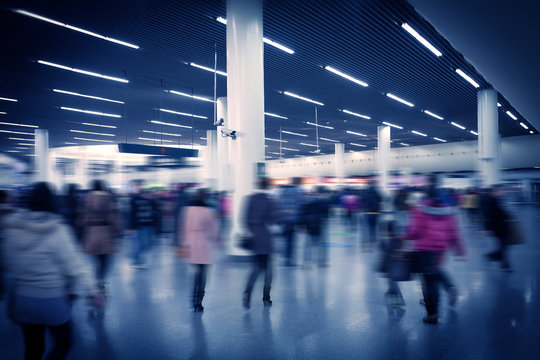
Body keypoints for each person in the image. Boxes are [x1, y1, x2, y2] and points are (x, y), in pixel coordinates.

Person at [1, 182, 102, 359]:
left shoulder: (12, 228)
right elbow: (74, 265)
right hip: (51, 299)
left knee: (33, 347)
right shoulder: (57, 229)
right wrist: (93, 290)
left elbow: (8, 263)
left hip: (22, 300)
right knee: (64, 343)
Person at [404, 184, 465, 324]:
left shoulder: (419, 209)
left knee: (428, 282)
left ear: (426, 196)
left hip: (424, 249)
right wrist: (459, 248)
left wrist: (404, 236)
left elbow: (415, 232)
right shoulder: (447, 210)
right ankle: (449, 287)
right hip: (440, 248)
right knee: (435, 274)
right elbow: (453, 231)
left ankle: (432, 314)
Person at [181, 189, 219, 312]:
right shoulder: (208, 211)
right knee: (203, 274)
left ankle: (193, 296)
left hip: (192, 243)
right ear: (205, 198)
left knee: (196, 272)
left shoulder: (188, 210)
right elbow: (213, 230)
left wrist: (185, 243)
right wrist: (217, 241)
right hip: (204, 244)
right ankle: (199, 300)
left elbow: (184, 228)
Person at [243, 177, 276, 309]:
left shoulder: (249, 199)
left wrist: (252, 230)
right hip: (265, 239)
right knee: (269, 271)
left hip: (254, 239)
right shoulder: (268, 201)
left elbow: (244, 219)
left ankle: (247, 292)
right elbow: (272, 220)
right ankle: (266, 299)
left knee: (256, 269)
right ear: (267, 186)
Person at [82, 180, 118, 291]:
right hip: (105, 234)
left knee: (97, 259)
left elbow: (83, 218)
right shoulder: (108, 200)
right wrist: (117, 230)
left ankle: (97, 279)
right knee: (105, 260)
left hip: (92, 232)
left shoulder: (87, 200)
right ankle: (99, 280)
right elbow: (113, 218)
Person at [129, 180, 160, 269]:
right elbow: (132, 214)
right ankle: (136, 260)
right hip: (140, 226)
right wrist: (131, 227)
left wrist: (153, 200)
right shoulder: (135, 200)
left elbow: (156, 210)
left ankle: (136, 258)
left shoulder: (151, 201)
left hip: (150, 225)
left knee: (149, 245)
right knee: (143, 245)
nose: (147, 195)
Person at [483, 185, 513, 272]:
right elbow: (487, 215)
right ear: (495, 191)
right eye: (501, 190)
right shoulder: (491, 201)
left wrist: (509, 215)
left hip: (502, 225)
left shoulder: (498, 200)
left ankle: (504, 264)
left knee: (504, 245)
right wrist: (486, 227)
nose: (503, 192)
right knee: (504, 245)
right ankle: (494, 257)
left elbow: (502, 212)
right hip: (497, 227)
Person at [278, 177, 305, 267]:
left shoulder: (284, 192)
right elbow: (303, 201)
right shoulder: (296, 191)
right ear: (298, 182)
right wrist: (317, 198)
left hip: (284, 219)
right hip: (292, 220)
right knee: (291, 241)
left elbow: (280, 204)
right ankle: (289, 261)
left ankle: (284, 258)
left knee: (286, 240)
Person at [302, 186, 330, 268]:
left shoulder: (308, 202)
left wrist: (304, 224)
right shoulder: (324, 202)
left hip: (310, 224)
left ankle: (306, 262)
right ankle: (322, 262)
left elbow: (304, 213)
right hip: (320, 224)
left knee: (308, 244)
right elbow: (326, 214)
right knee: (322, 244)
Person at [362, 180, 382, 250]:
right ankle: (374, 238)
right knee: (375, 225)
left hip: (368, 211)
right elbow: (381, 199)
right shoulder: (376, 192)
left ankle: (370, 240)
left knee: (368, 226)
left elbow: (362, 200)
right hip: (375, 211)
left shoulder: (365, 192)